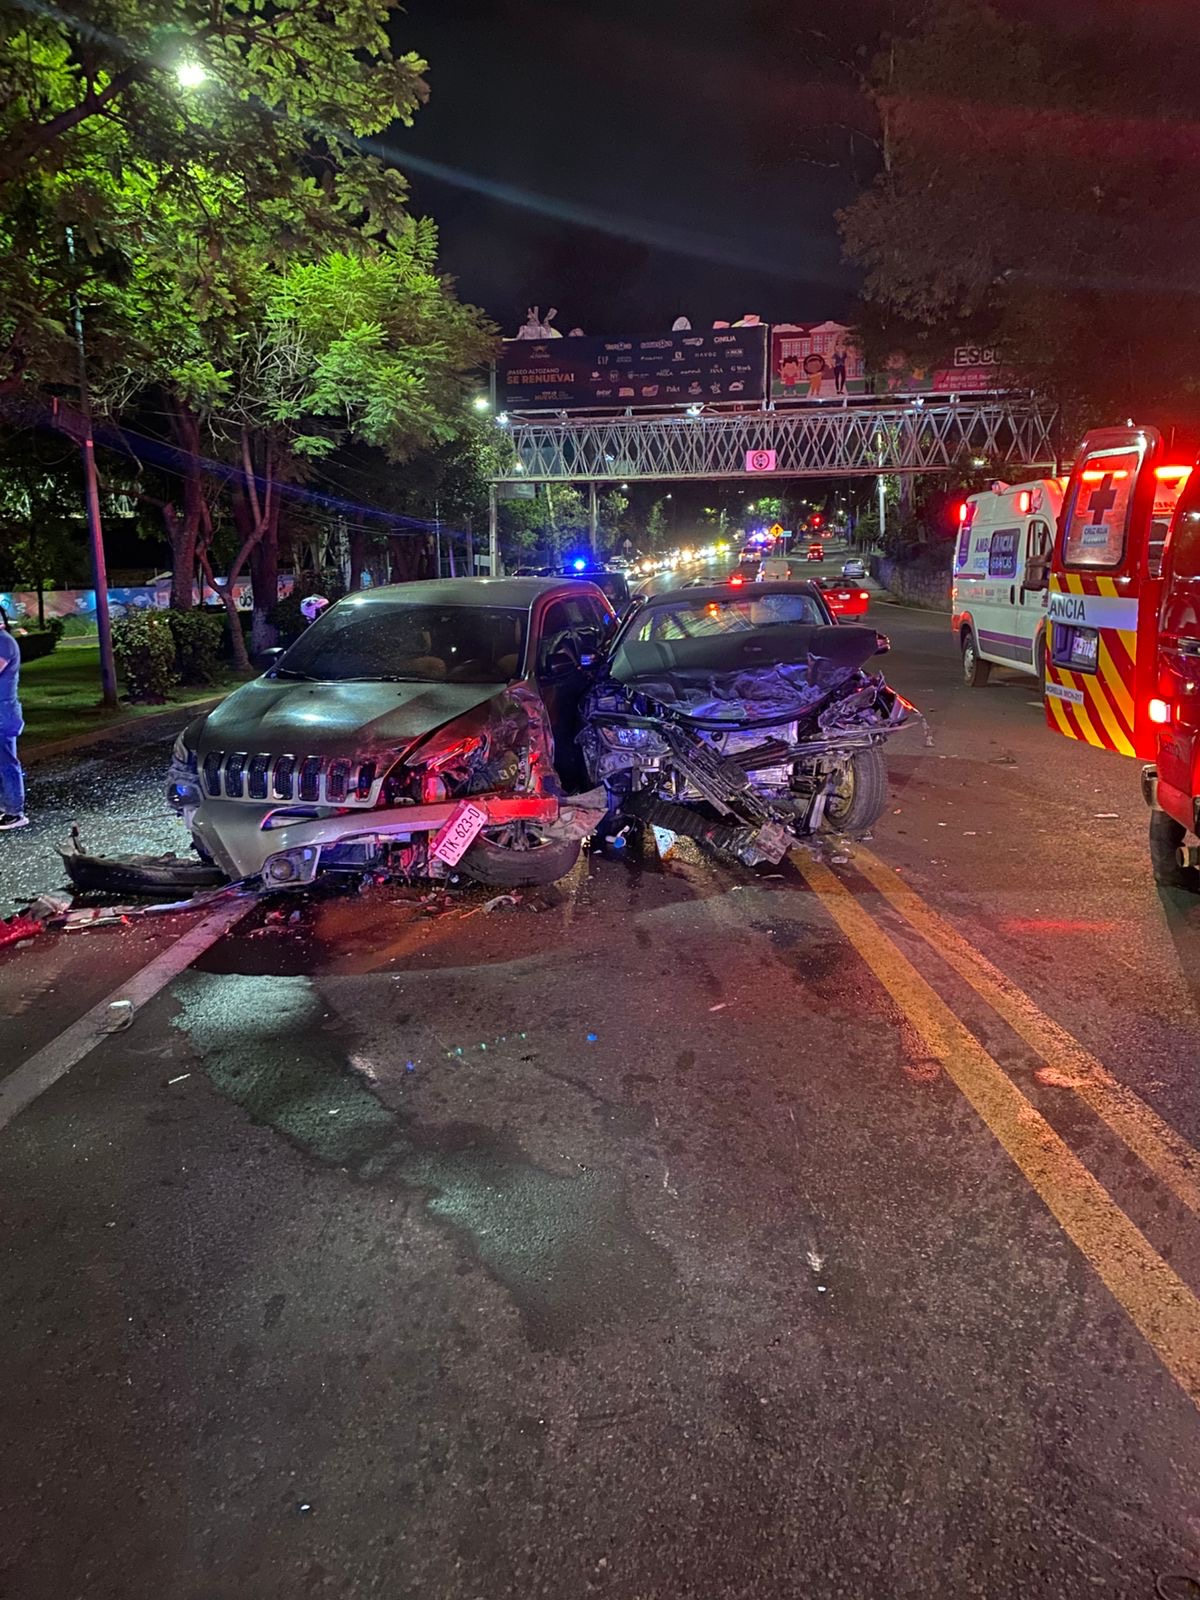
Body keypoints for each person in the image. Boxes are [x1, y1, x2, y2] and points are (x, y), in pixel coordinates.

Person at [0, 605, 28, 830]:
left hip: (3, 713)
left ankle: (14, 813)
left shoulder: (4, 642)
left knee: (7, 763)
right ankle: (8, 807)